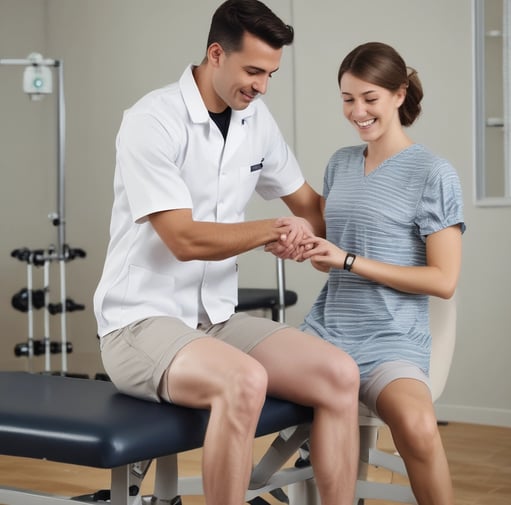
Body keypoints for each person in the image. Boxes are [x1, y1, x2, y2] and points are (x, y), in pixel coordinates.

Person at [93, 2, 360, 505]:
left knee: (341, 374)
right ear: (216, 54)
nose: (261, 87)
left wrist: (318, 230)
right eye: (254, 71)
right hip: (138, 324)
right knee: (244, 380)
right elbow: (183, 238)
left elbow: (309, 207)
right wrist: (273, 231)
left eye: (270, 75)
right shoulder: (152, 120)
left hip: (213, 320)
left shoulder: (254, 119)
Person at [299, 42, 465, 505]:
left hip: (390, 339)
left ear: (399, 93)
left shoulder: (434, 173)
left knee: (417, 426)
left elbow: (443, 279)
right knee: (242, 390)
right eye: (348, 99)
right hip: (326, 331)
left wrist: (349, 261)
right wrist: (310, 243)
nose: (357, 111)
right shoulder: (341, 163)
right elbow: (332, 244)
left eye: (369, 98)